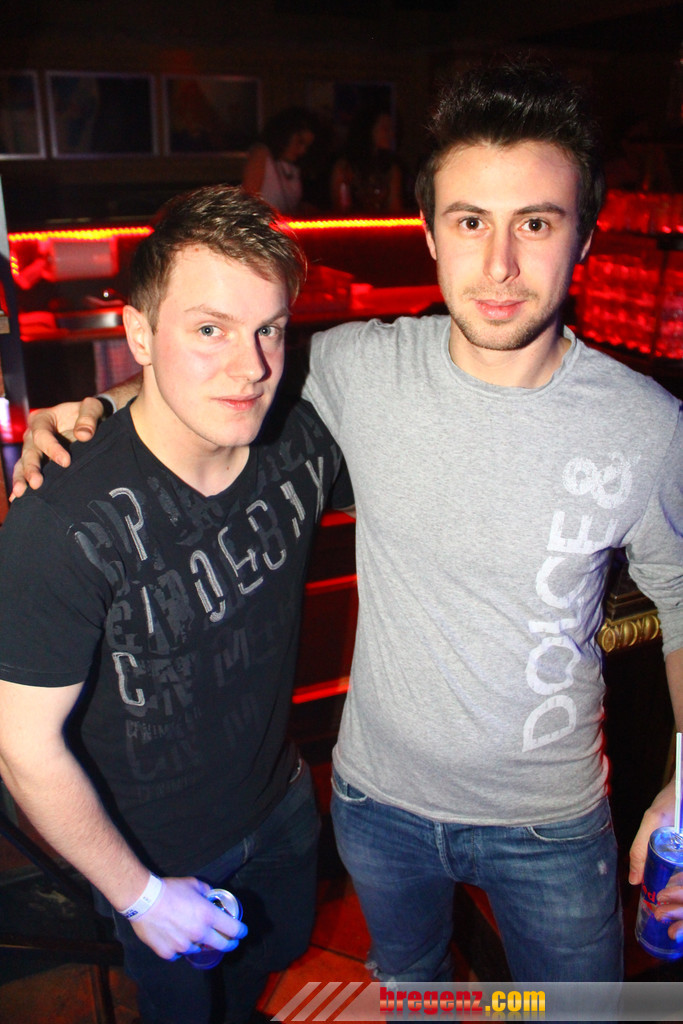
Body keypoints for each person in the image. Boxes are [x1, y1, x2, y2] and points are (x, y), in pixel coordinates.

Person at [11, 59, 683, 985]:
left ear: (584, 238)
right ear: (430, 234)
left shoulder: (645, 426)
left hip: (551, 822)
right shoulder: (358, 368)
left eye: (534, 223)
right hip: (376, 806)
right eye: (470, 222)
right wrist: (96, 407)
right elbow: (217, 371)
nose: (499, 264)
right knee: (414, 995)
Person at [0, 184, 352, 1024]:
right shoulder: (61, 520)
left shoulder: (299, 441)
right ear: (138, 334)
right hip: (153, 852)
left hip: (281, 801)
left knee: (269, 963)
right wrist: (142, 896)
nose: (251, 366)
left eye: (269, 328)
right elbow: (21, 747)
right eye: (209, 329)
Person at [242, 107, 316, 215]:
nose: (302, 151)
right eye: (300, 142)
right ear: (286, 134)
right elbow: (247, 201)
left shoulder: (294, 168)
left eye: (306, 146)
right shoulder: (262, 154)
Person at [330, 107, 404, 214]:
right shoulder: (345, 168)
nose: (391, 134)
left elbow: (395, 210)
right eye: (385, 129)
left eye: (393, 129)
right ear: (369, 129)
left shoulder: (391, 169)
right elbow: (339, 210)